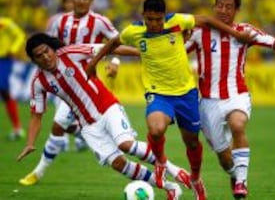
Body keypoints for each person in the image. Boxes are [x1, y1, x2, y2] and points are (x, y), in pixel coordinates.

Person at [86, 0, 253, 199]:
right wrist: (94, 62)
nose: (154, 24)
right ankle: (161, 163)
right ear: (143, 16)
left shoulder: (177, 22)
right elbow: (112, 42)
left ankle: (196, 179)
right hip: (158, 93)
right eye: (149, 19)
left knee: (192, 143)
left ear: (164, 16)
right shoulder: (134, 31)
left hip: (186, 93)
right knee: (156, 129)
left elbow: (207, 21)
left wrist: (235, 34)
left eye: (158, 19)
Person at [17, 33, 191, 200]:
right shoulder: (39, 81)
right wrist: (30, 143)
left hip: (107, 106)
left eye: (46, 50)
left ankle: (175, 170)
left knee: (125, 144)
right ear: (34, 60)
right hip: (87, 125)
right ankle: (171, 188)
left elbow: (109, 48)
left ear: (52, 48)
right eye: (39, 56)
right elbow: (36, 116)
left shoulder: (71, 53)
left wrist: (143, 53)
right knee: (118, 164)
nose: (45, 57)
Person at [19, 0, 136, 186]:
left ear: (91, 0)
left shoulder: (100, 21)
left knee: (58, 125)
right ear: (71, 0)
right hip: (60, 81)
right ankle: (98, 136)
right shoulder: (59, 21)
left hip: (85, 82)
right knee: (63, 126)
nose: (81, 1)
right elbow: (44, 46)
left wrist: (115, 63)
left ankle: (38, 172)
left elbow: (116, 41)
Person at [185, 0, 275, 198]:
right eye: (220, 6)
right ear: (214, 7)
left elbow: (268, 40)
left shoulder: (245, 30)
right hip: (208, 102)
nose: (223, 10)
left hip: (237, 94)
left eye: (229, 7)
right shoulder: (200, 32)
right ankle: (235, 175)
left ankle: (242, 181)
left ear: (237, 10)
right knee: (225, 160)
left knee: (238, 125)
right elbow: (178, 52)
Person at [0, 16, 26, 141]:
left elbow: (20, 35)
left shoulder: (5, 23)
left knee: (3, 88)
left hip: (4, 60)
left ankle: (17, 127)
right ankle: (17, 128)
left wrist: (13, 49)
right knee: (5, 93)